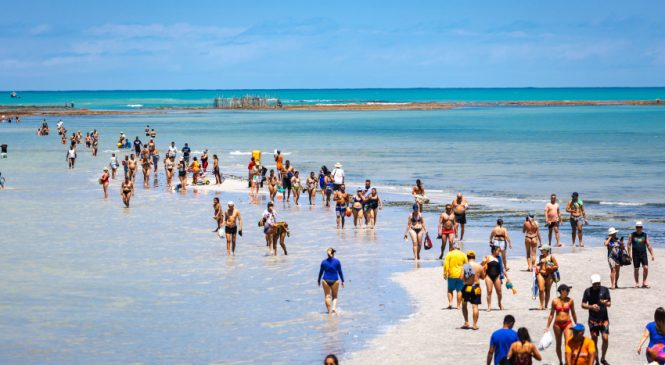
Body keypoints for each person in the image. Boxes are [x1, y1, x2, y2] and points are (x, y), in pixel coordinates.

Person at [581, 274, 611, 365]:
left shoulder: (605, 290)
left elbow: (609, 303)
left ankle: (603, 358)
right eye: (595, 284)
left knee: (605, 338)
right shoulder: (587, 291)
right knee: (594, 339)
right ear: (592, 283)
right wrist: (591, 307)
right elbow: (583, 304)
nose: (597, 285)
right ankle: (596, 360)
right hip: (593, 320)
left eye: (598, 283)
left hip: (604, 319)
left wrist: (605, 303)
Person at [546, 284, 578, 365]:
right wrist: (547, 326)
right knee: (558, 343)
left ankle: (568, 361)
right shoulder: (555, 301)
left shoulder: (570, 301)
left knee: (568, 343)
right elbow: (551, 314)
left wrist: (576, 323)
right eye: (566, 290)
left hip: (568, 323)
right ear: (561, 291)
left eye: (568, 291)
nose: (568, 292)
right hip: (557, 324)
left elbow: (573, 313)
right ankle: (560, 361)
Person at [628, 221, 655, 288]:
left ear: (642, 227)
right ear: (635, 227)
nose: (639, 228)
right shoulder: (632, 235)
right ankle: (637, 283)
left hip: (643, 254)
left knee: (645, 268)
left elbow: (648, 245)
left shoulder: (645, 235)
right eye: (637, 227)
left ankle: (644, 282)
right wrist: (629, 254)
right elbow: (628, 245)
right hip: (635, 254)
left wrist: (652, 254)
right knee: (636, 269)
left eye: (640, 227)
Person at [317, 248, 345, 314]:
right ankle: (334, 308)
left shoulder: (323, 262)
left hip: (325, 280)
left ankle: (329, 312)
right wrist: (343, 281)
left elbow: (321, 272)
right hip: (335, 280)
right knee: (335, 296)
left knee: (327, 296)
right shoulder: (337, 261)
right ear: (333, 253)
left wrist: (318, 280)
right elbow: (340, 272)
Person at [462, 250, 484, 330]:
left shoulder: (465, 266)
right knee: (475, 306)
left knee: (464, 305)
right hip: (476, 288)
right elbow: (483, 277)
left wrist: (465, 279)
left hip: (467, 288)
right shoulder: (479, 266)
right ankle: (474, 325)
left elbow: (461, 278)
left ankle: (466, 322)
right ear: (474, 257)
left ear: (467, 257)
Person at [483, 245, 509, 311]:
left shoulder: (499, 258)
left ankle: (499, 303)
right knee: (489, 291)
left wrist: (507, 277)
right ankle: (489, 306)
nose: (499, 252)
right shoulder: (488, 257)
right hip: (488, 276)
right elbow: (481, 266)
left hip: (497, 276)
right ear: (494, 251)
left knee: (499, 292)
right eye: (498, 251)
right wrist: (483, 262)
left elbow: (502, 268)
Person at [444, 242, 468, 309]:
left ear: (453, 247)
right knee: (459, 290)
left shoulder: (449, 254)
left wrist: (445, 274)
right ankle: (458, 305)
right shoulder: (463, 254)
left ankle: (450, 303)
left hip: (451, 274)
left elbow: (446, 265)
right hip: (460, 275)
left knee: (450, 290)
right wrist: (467, 275)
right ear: (459, 247)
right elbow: (466, 265)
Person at [536, 245, 558, 310]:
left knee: (547, 290)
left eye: (543, 250)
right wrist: (537, 264)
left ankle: (545, 305)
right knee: (541, 289)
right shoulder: (540, 256)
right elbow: (540, 264)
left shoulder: (551, 257)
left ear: (547, 250)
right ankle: (541, 304)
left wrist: (549, 265)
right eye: (541, 250)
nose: (541, 251)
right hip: (541, 273)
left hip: (549, 275)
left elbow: (556, 266)